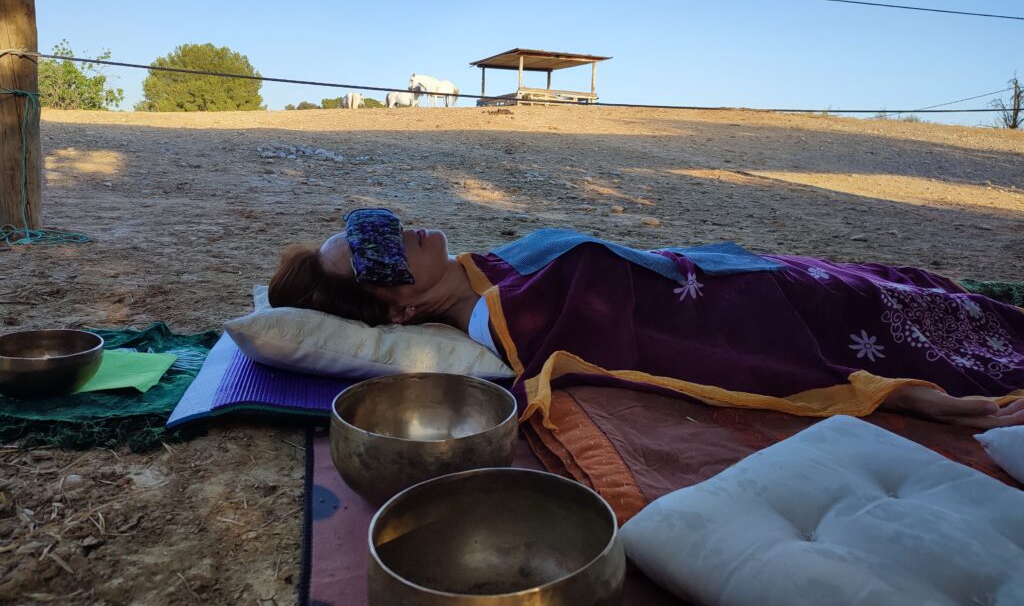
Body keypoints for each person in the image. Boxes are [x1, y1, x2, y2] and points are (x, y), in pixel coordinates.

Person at [269, 214, 1024, 431]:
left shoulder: (483, 265)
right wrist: (883, 390)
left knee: (941, 296)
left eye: (379, 225)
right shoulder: (513, 320)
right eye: (377, 256)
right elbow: (684, 352)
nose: (400, 232)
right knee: (971, 333)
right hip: (791, 321)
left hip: (760, 272)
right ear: (397, 308)